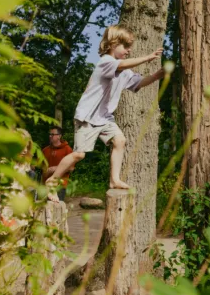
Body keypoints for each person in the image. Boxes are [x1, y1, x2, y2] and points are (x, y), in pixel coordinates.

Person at [44, 25, 166, 196]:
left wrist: (158, 75)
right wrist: (147, 58)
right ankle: (52, 180)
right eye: (125, 47)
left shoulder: (124, 71)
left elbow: (138, 83)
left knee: (120, 141)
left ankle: (114, 179)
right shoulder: (106, 63)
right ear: (112, 44)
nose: (129, 51)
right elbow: (121, 64)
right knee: (79, 155)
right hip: (88, 116)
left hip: (105, 118)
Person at [41, 126, 73, 202]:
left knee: (57, 208)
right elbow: (40, 166)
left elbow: (71, 168)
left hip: (60, 185)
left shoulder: (67, 149)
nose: (50, 136)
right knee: (44, 210)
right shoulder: (45, 150)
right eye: (49, 134)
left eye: (52, 134)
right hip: (45, 184)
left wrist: (56, 168)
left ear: (59, 136)